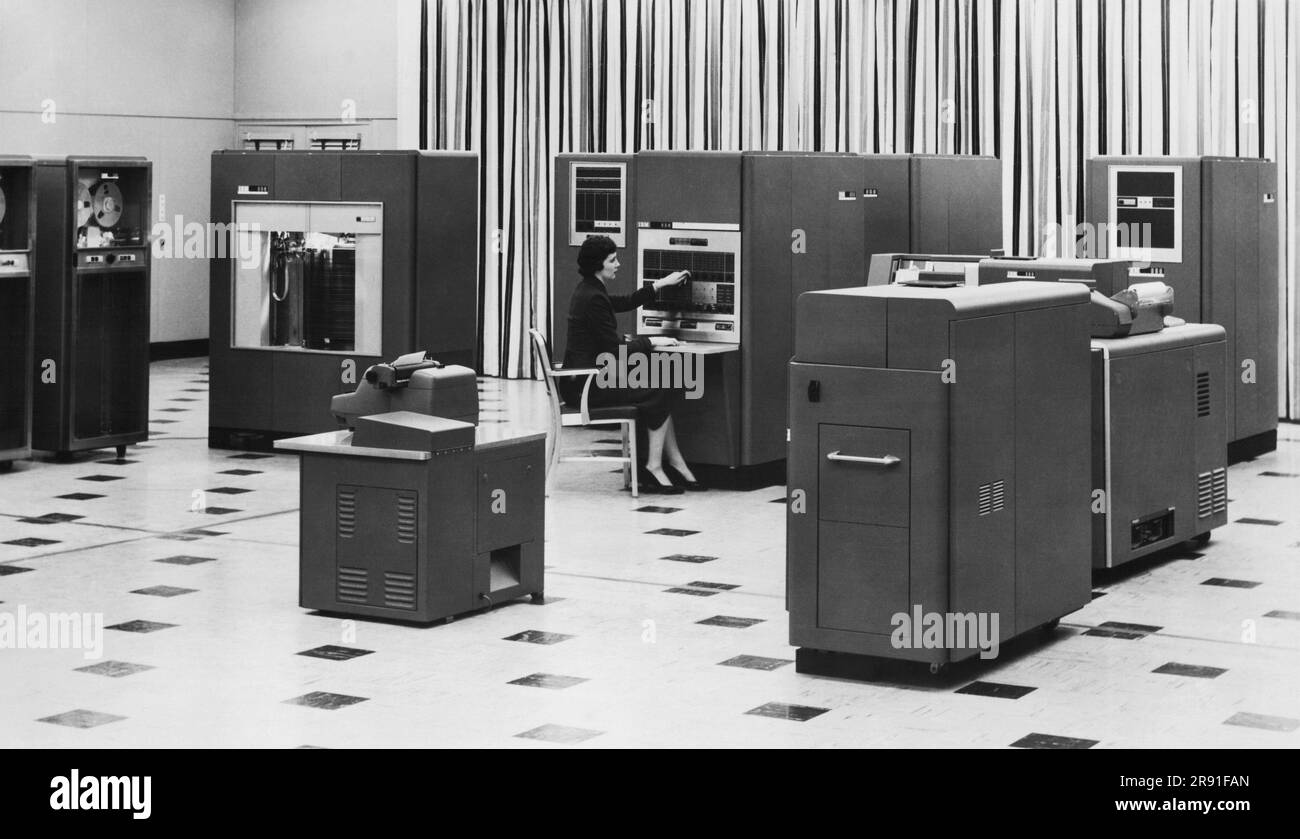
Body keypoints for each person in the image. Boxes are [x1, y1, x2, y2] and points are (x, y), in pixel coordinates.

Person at [559, 235, 703, 494]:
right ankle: (654, 467)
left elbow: (625, 302)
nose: (618, 264)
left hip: (586, 380)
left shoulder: (589, 289)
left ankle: (671, 463)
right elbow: (615, 349)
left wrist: (661, 284)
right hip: (587, 387)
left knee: (665, 381)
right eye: (612, 260)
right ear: (598, 265)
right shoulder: (592, 297)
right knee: (662, 386)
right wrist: (653, 342)